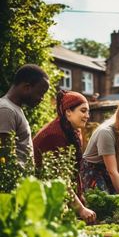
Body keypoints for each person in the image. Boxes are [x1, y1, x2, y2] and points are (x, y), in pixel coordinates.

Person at [33, 90, 96, 223]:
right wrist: (81, 209)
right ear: (68, 112)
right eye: (83, 111)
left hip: (61, 192)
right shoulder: (54, 135)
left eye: (88, 111)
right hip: (43, 196)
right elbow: (59, 178)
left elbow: (74, 170)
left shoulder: (73, 130)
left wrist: (81, 199)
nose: (87, 116)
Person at [0, 64, 49, 165]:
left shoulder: (15, 109)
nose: (42, 98)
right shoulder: (6, 110)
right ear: (27, 87)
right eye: (41, 93)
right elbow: (5, 157)